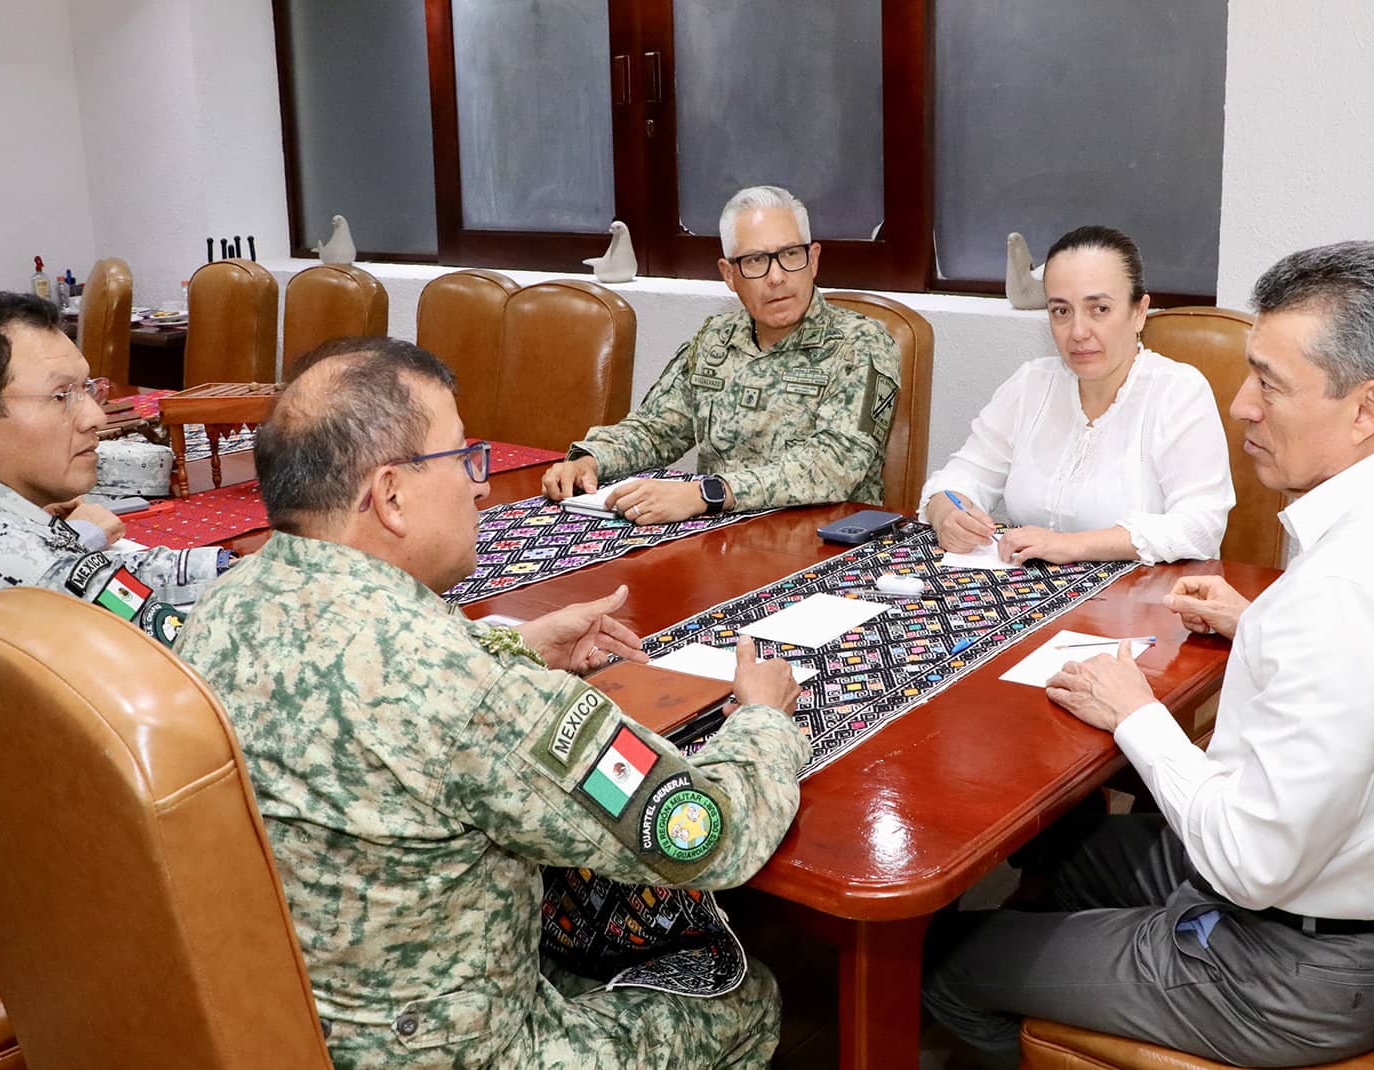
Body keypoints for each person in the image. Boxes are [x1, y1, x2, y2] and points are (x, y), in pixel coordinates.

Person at [921, 241, 1374, 1067]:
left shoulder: (1346, 591)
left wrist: (1138, 715)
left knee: (948, 967)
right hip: (1359, 893)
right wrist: (1266, 628)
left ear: (1367, 408)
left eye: (1269, 383)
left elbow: (1250, 864)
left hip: (1283, 964)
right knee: (1073, 853)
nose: (1242, 405)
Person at [175, 336, 811, 1069]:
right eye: (462, 459)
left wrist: (517, 646)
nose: (481, 486)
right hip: (453, 1052)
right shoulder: (474, 695)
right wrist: (763, 720)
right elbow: (702, 834)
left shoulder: (224, 604)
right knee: (746, 998)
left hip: (277, 1019)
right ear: (390, 494)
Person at [0, 291, 232, 975]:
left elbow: (107, 573)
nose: (94, 419)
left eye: (90, 390)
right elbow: (205, 674)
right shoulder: (18, 566)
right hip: (28, 904)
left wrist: (230, 568)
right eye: (61, 397)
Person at [542, 185, 901, 525]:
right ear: (729, 275)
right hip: (718, 537)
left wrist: (707, 494)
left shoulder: (860, 345)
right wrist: (590, 459)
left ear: (814, 260)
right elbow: (656, 430)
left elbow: (831, 468)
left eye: (791, 255)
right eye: (756, 261)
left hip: (822, 543)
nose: (776, 276)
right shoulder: (716, 340)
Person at [919, 225, 1233, 565]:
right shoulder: (1031, 385)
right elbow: (959, 478)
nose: (1078, 332)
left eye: (1099, 309)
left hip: (1141, 605)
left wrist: (1072, 545)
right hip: (1028, 598)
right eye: (1061, 311)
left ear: (1139, 312)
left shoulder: (1178, 392)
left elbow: (1201, 525)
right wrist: (947, 513)